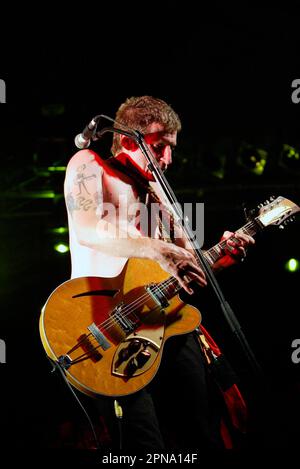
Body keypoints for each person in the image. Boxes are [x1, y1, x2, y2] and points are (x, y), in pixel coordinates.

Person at [64, 96, 255, 451]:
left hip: (168, 325)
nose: (167, 160)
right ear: (125, 139)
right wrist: (160, 249)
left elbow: (189, 261)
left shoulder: (160, 196)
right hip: (108, 325)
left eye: (171, 149)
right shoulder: (90, 165)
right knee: (143, 444)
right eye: (158, 146)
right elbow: (89, 228)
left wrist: (219, 256)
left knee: (205, 436)